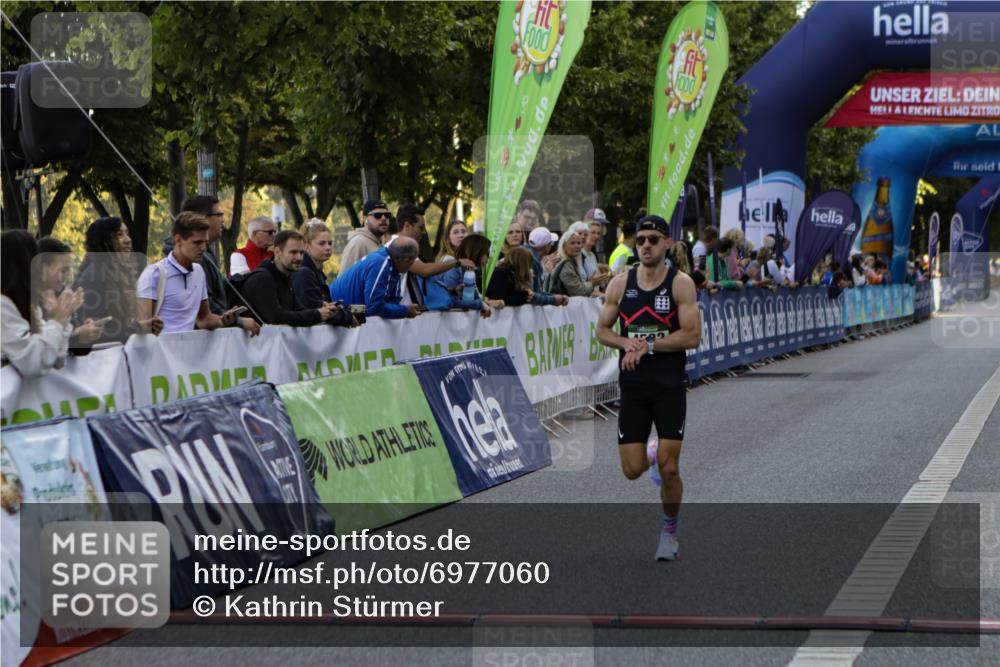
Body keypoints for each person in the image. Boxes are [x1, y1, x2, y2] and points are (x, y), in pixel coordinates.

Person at [595, 215, 701, 561]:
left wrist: (649, 346)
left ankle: (669, 534)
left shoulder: (680, 283)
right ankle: (650, 453)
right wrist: (627, 344)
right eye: (641, 240)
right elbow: (603, 330)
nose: (646, 246)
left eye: (654, 239)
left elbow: (692, 335)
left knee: (671, 469)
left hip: (669, 383)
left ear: (667, 243)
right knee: (632, 470)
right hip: (635, 387)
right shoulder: (620, 283)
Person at [137, 212, 246, 334]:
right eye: (197, 242)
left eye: (205, 242)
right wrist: (147, 326)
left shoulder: (198, 272)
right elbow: (143, 326)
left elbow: (203, 319)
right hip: (159, 351)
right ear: (178, 240)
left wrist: (222, 320)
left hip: (188, 350)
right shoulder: (154, 274)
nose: (204, 248)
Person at [1, 231, 83, 377]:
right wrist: (56, 321)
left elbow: (55, 359)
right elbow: (33, 364)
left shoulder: (29, 304)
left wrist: (63, 318)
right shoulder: (3, 306)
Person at [172, 196, 259, 334]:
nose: (222, 219)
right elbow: (204, 310)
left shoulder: (206, 256)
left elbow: (206, 314)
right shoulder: (192, 259)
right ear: (202, 218)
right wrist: (237, 322)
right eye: (218, 214)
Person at [74, 217, 164, 343]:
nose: (128, 240)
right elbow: (95, 332)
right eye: (119, 235)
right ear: (104, 241)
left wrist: (145, 326)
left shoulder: (117, 274)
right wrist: (140, 328)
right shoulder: (92, 278)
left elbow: (118, 325)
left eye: (127, 233)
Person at [241, 230, 353, 327]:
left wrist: (325, 311)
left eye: (301, 252)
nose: (299, 257)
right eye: (293, 252)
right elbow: (276, 317)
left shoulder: (286, 276)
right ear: (277, 252)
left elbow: (298, 310)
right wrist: (318, 314)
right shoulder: (263, 278)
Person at [394, 204, 474, 305]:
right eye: (421, 228)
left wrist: (453, 290)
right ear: (407, 226)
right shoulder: (398, 247)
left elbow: (426, 288)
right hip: (402, 316)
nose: (423, 233)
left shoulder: (404, 247)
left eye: (464, 231)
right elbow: (425, 270)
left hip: (410, 315)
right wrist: (456, 262)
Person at [37, 237, 107, 351]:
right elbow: (40, 349)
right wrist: (78, 336)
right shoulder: (28, 302)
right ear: (43, 267)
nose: (66, 276)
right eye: (63, 270)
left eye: (68, 270)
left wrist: (86, 329)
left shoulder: (66, 297)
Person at [330, 236, 422, 319]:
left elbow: (389, 303)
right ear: (407, 260)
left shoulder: (391, 262)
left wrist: (402, 309)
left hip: (349, 308)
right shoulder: (381, 263)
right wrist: (405, 311)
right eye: (413, 260)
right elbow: (373, 307)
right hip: (335, 308)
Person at [424, 234, 503, 316]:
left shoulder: (469, 270)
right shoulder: (453, 268)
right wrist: (480, 305)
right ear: (477, 251)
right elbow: (450, 300)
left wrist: (486, 304)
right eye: (487, 253)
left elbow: (474, 297)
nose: (488, 257)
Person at [547, 230, 608, 297]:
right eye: (572, 243)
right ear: (564, 246)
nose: (577, 246)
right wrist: (592, 282)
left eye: (579, 243)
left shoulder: (572, 262)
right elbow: (578, 291)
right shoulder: (566, 265)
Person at [293, 219, 335, 309]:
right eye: (322, 243)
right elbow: (315, 310)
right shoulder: (303, 273)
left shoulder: (315, 272)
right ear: (306, 246)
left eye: (330, 243)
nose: (328, 247)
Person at [340, 200, 389, 273]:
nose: (384, 218)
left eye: (387, 215)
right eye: (377, 215)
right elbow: (343, 280)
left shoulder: (383, 243)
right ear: (365, 219)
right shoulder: (358, 243)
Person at [526, 228, 568, 306]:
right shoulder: (531, 261)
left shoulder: (528, 256)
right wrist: (553, 299)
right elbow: (532, 295)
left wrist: (554, 297)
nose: (551, 246)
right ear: (546, 246)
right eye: (551, 244)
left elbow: (537, 292)